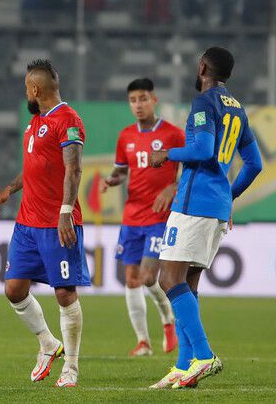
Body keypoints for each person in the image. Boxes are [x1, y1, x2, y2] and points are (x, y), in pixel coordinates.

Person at [149, 47, 262, 389]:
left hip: (194, 203)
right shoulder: (238, 109)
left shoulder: (204, 102)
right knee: (188, 282)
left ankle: (203, 354)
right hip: (215, 207)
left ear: (202, 67)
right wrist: (230, 196)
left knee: (167, 279)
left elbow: (202, 151)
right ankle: (186, 366)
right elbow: (254, 164)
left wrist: (166, 153)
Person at [0, 59, 89, 388]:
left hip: (57, 222)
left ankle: (70, 368)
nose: (25, 92)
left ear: (35, 88)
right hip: (27, 222)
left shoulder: (68, 120)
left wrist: (66, 211)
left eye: (26, 87)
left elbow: (74, 169)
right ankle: (47, 343)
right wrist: (9, 190)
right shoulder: (36, 122)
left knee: (65, 293)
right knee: (14, 289)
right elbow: (34, 168)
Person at [100, 78, 184, 357]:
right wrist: (112, 181)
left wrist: (173, 187)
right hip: (132, 215)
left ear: (154, 99)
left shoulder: (173, 134)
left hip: (160, 216)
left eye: (143, 98)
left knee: (149, 277)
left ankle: (168, 320)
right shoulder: (126, 136)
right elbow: (122, 171)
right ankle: (143, 342)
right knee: (132, 278)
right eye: (133, 100)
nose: (138, 104)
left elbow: (194, 166)